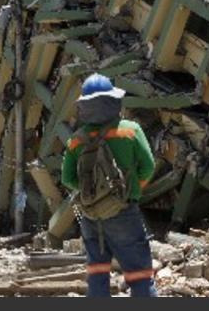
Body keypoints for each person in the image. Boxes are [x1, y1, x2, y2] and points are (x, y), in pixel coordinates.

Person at [61, 73, 157, 297]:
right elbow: (149, 167)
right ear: (113, 102)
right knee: (139, 275)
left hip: (91, 216)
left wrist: (91, 194)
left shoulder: (75, 140)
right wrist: (130, 190)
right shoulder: (130, 130)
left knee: (97, 272)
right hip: (124, 212)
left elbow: (67, 179)